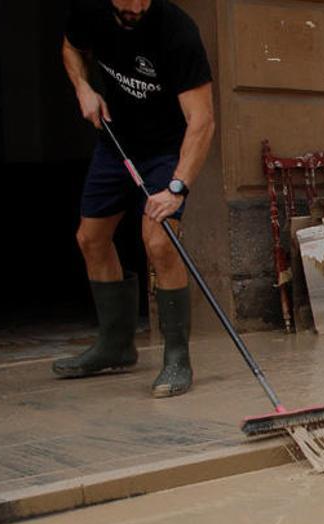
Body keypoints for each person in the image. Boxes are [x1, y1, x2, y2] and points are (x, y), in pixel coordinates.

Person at [56, 0, 215, 398]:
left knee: (159, 242)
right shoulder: (88, 11)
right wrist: (83, 88)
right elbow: (70, 47)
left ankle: (177, 356)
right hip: (115, 145)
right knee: (90, 239)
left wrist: (177, 187)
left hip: (165, 152)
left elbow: (202, 120)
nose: (136, 6)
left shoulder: (177, 30)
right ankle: (116, 345)